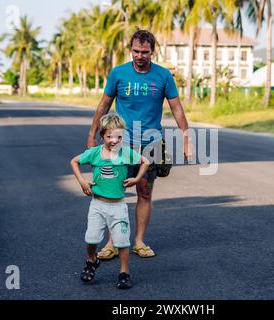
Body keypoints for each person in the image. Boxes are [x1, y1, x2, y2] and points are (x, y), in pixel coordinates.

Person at [87, 29, 194, 259]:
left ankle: (138, 241)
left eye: (144, 52)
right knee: (113, 193)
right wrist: (92, 133)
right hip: (119, 143)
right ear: (130, 50)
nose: (139, 56)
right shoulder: (118, 74)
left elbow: (177, 109)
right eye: (136, 51)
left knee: (144, 192)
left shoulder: (164, 76)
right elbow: (103, 105)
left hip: (150, 143)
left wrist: (186, 138)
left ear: (152, 52)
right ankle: (112, 243)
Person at [71, 113, 149, 289]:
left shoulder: (126, 153)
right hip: (97, 205)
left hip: (118, 206)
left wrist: (136, 179)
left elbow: (145, 161)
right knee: (91, 239)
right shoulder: (94, 153)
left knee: (122, 242)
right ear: (101, 136)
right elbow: (74, 161)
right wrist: (82, 181)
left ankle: (124, 273)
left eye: (119, 137)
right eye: (110, 136)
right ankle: (92, 260)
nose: (115, 140)